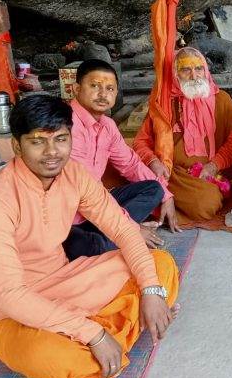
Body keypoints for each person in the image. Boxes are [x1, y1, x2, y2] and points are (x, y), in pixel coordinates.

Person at [0, 95, 180, 378]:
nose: (52, 152)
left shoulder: (75, 175)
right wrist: (93, 334)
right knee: (59, 360)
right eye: (38, 142)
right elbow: (10, 295)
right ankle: (106, 330)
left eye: (61, 139)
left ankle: (106, 326)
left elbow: (124, 230)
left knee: (160, 265)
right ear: (16, 145)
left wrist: (151, 291)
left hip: (65, 280)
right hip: (6, 307)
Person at [64, 59, 178, 260]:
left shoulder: (107, 125)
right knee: (93, 247)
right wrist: (131, 229)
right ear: (76, 89)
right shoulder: (67, 125)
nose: (102, 94)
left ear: (116, 94)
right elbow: (86, 193)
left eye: (109, 88)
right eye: (95, 86)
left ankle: (110, 235)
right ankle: (112, 237)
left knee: (154, 189)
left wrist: (166, 195)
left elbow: (130, 164)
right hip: (68, 215)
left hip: (99, 207)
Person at [133, 47, 232, 221]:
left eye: (199, 69)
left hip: (207, 175)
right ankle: (162, 198)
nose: (194, 75)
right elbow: (141, 142)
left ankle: (160, 201)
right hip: (171, 174)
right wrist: (153, 162)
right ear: (175, 74)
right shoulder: (164, 103)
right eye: (185, 70)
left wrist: (214, 166)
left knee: (207, 203)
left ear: (206, 70)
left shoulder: (223, 100)